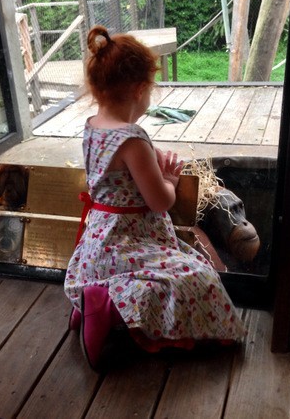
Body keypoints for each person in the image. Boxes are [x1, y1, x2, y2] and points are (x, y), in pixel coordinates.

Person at [64, 25, 246, 370]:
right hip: (131, 239)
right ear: (140, 89)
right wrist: (170, 180)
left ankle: (87, 302)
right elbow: (160, 202)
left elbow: (116, 178)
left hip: (99, 240)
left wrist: (150, 168)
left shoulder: (93, 125)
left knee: (184, 262)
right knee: (199, 275)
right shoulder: (134, 138)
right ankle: (104, 304)